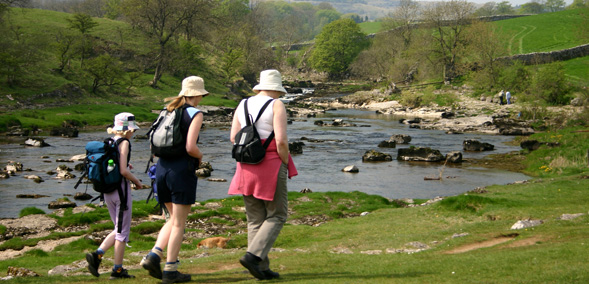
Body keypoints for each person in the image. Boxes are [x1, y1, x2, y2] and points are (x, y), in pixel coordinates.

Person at [228, 69, 298, 280]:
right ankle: (253, 257)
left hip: (246, 165)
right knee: (277, 214)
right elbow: (282, 141)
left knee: (254, 218)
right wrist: (284, 162)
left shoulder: (243, 104)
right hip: (270, 164)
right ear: (277, 88)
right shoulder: (276, 105)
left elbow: (233, 137)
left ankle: (261, 267)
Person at [141, 76, 207, 283]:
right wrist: (200, 157)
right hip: (181, 170)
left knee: (171, 218)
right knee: (179, 223)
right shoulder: (195, 114)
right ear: (197, 94)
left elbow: (153, 145)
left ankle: (154, 254)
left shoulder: (167, 110)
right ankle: (170, 270)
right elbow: (190, 147)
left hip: (161, 169)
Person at [86, 112, 143, 279]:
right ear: (127, 130)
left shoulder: (109, 142)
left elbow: (114, 163)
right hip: (121, 192)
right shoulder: (124, 142)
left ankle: (97, 255)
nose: (134, 133)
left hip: (107, 191)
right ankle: (117, 270)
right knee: (122, 233)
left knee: (119, 228)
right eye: (133, 130)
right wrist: (137, 181)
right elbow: (123, 171)